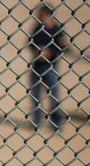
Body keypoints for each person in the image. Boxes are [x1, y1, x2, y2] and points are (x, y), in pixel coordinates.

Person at [27, 3, 67, 131]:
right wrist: (38, 50)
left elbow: (64, 46)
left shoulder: (56, 29)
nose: (40, 17)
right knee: (36, 97)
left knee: (54, 97)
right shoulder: (37, 27)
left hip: (50, 67)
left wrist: (49, 51)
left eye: (42, 15)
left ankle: (56, 124)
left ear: (48, 15)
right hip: (37, 66)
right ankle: (37, 123)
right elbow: (29, 42)